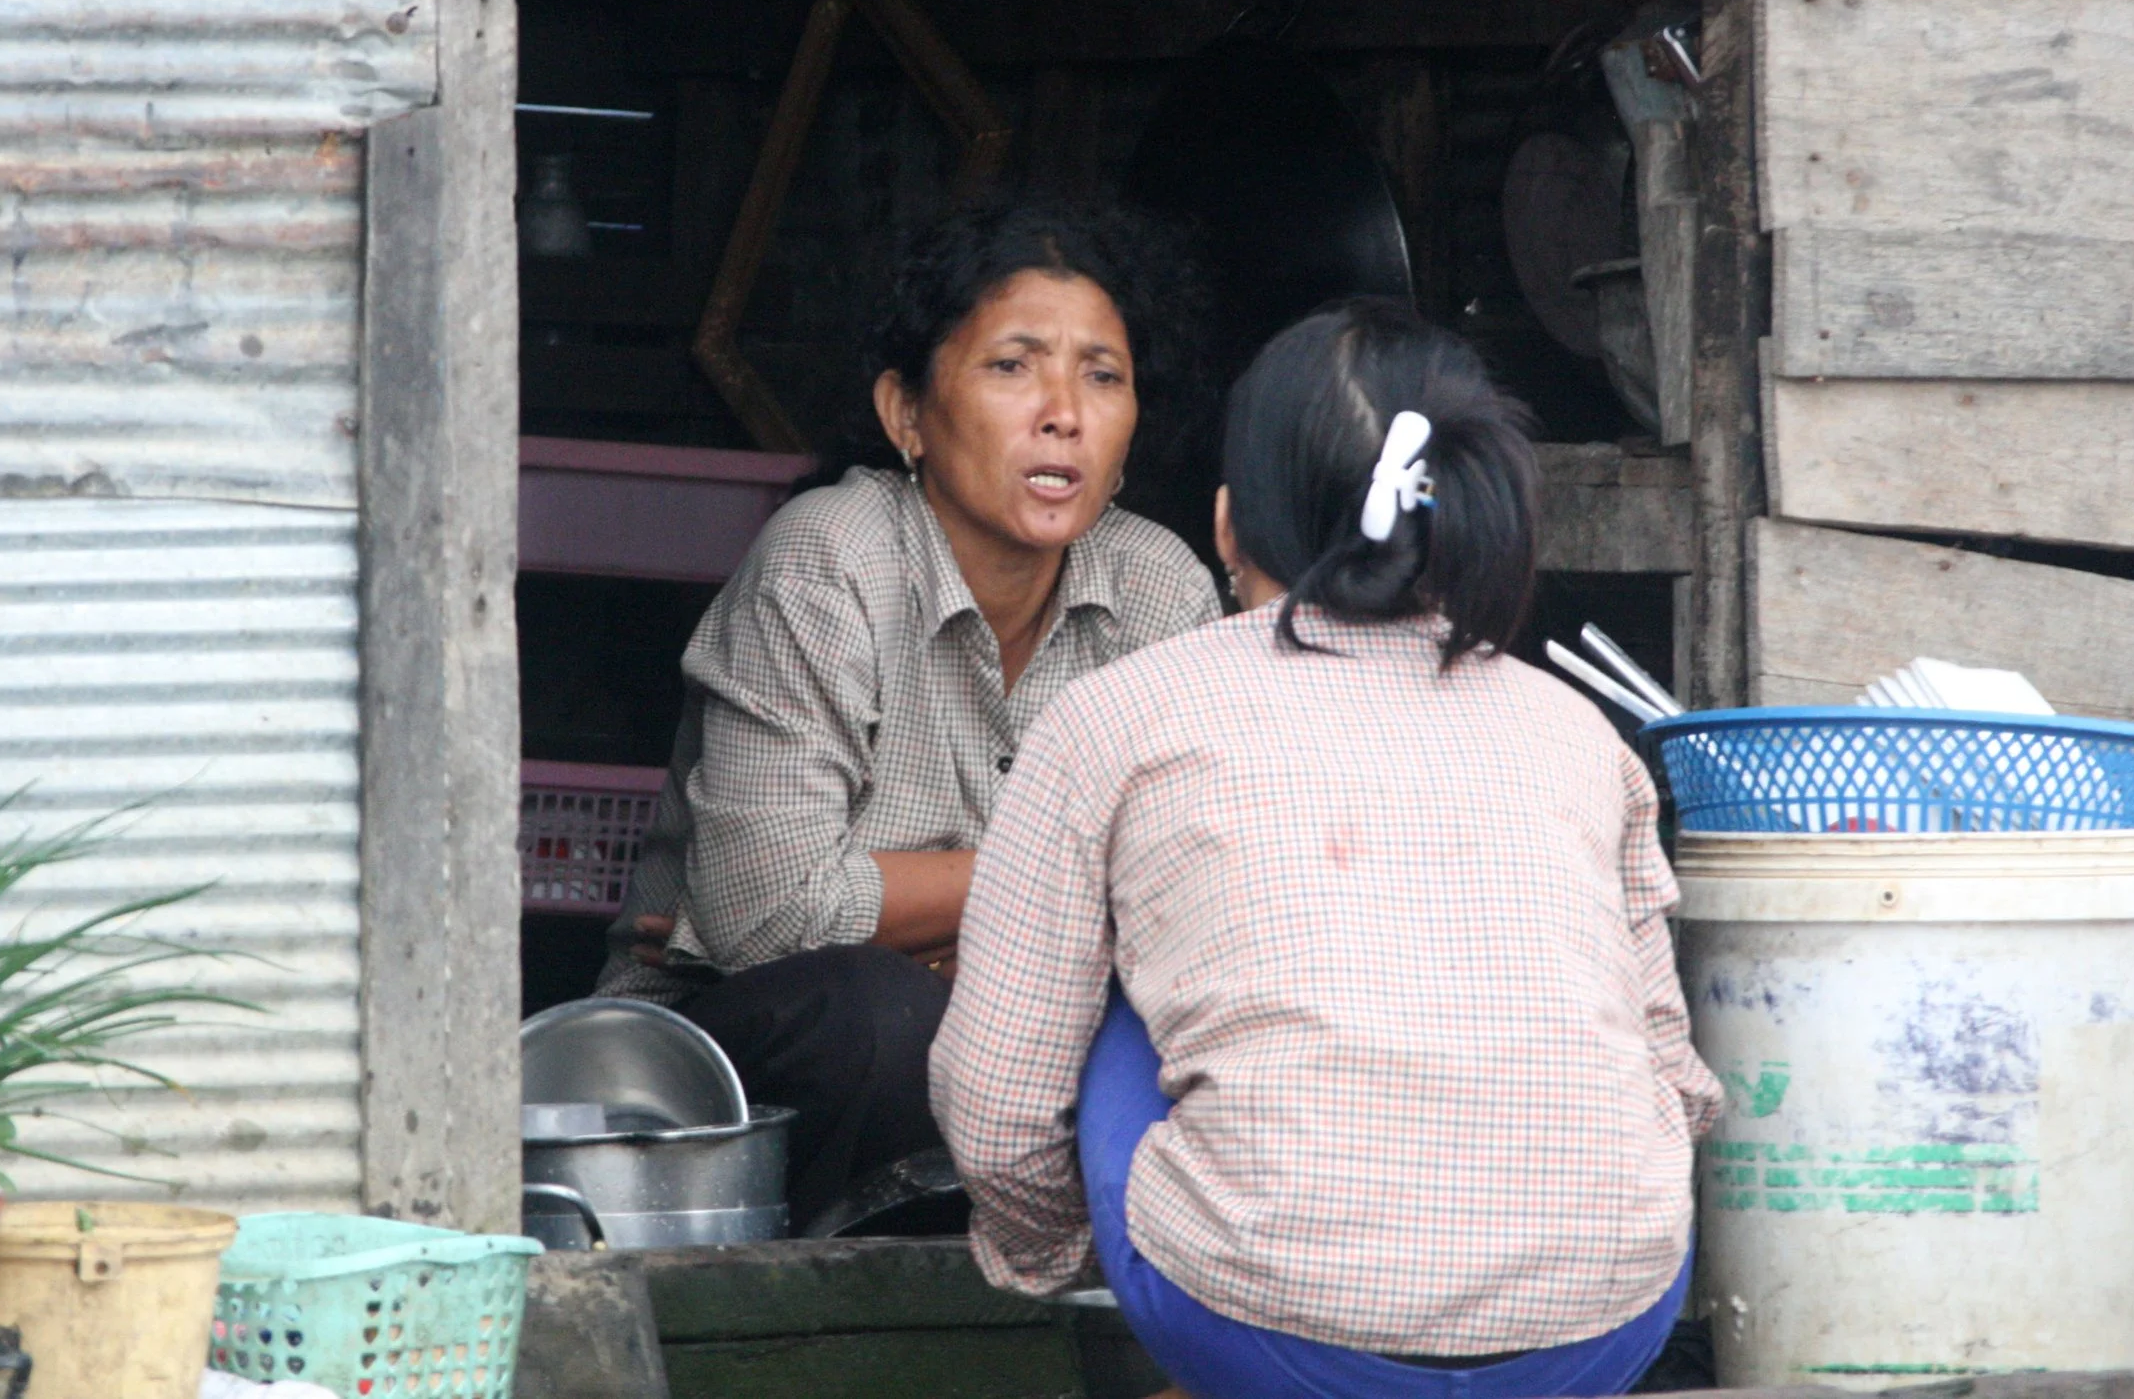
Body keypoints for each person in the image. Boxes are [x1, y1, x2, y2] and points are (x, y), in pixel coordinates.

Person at [931, 297, 1720, 1399]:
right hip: (1602, 1324)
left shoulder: (1119, 715)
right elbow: (1671, 1079)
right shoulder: (1579, 732)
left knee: (1120, 1000)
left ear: (1224, 523)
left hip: (1272, 1333)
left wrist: (1069, 1251)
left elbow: (997, 1100)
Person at [596, 200, 1223, 1230]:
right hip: (717, 1072)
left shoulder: (1160, 589)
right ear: (906, 415)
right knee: (881, 1013)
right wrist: (1064, 884)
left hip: (1027, 1029)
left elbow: (1188, 904)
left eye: (1102, 375)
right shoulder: (827, 559)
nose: (1062, 409)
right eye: (1012, 365)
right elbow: (775, 917)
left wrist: (922, 906)